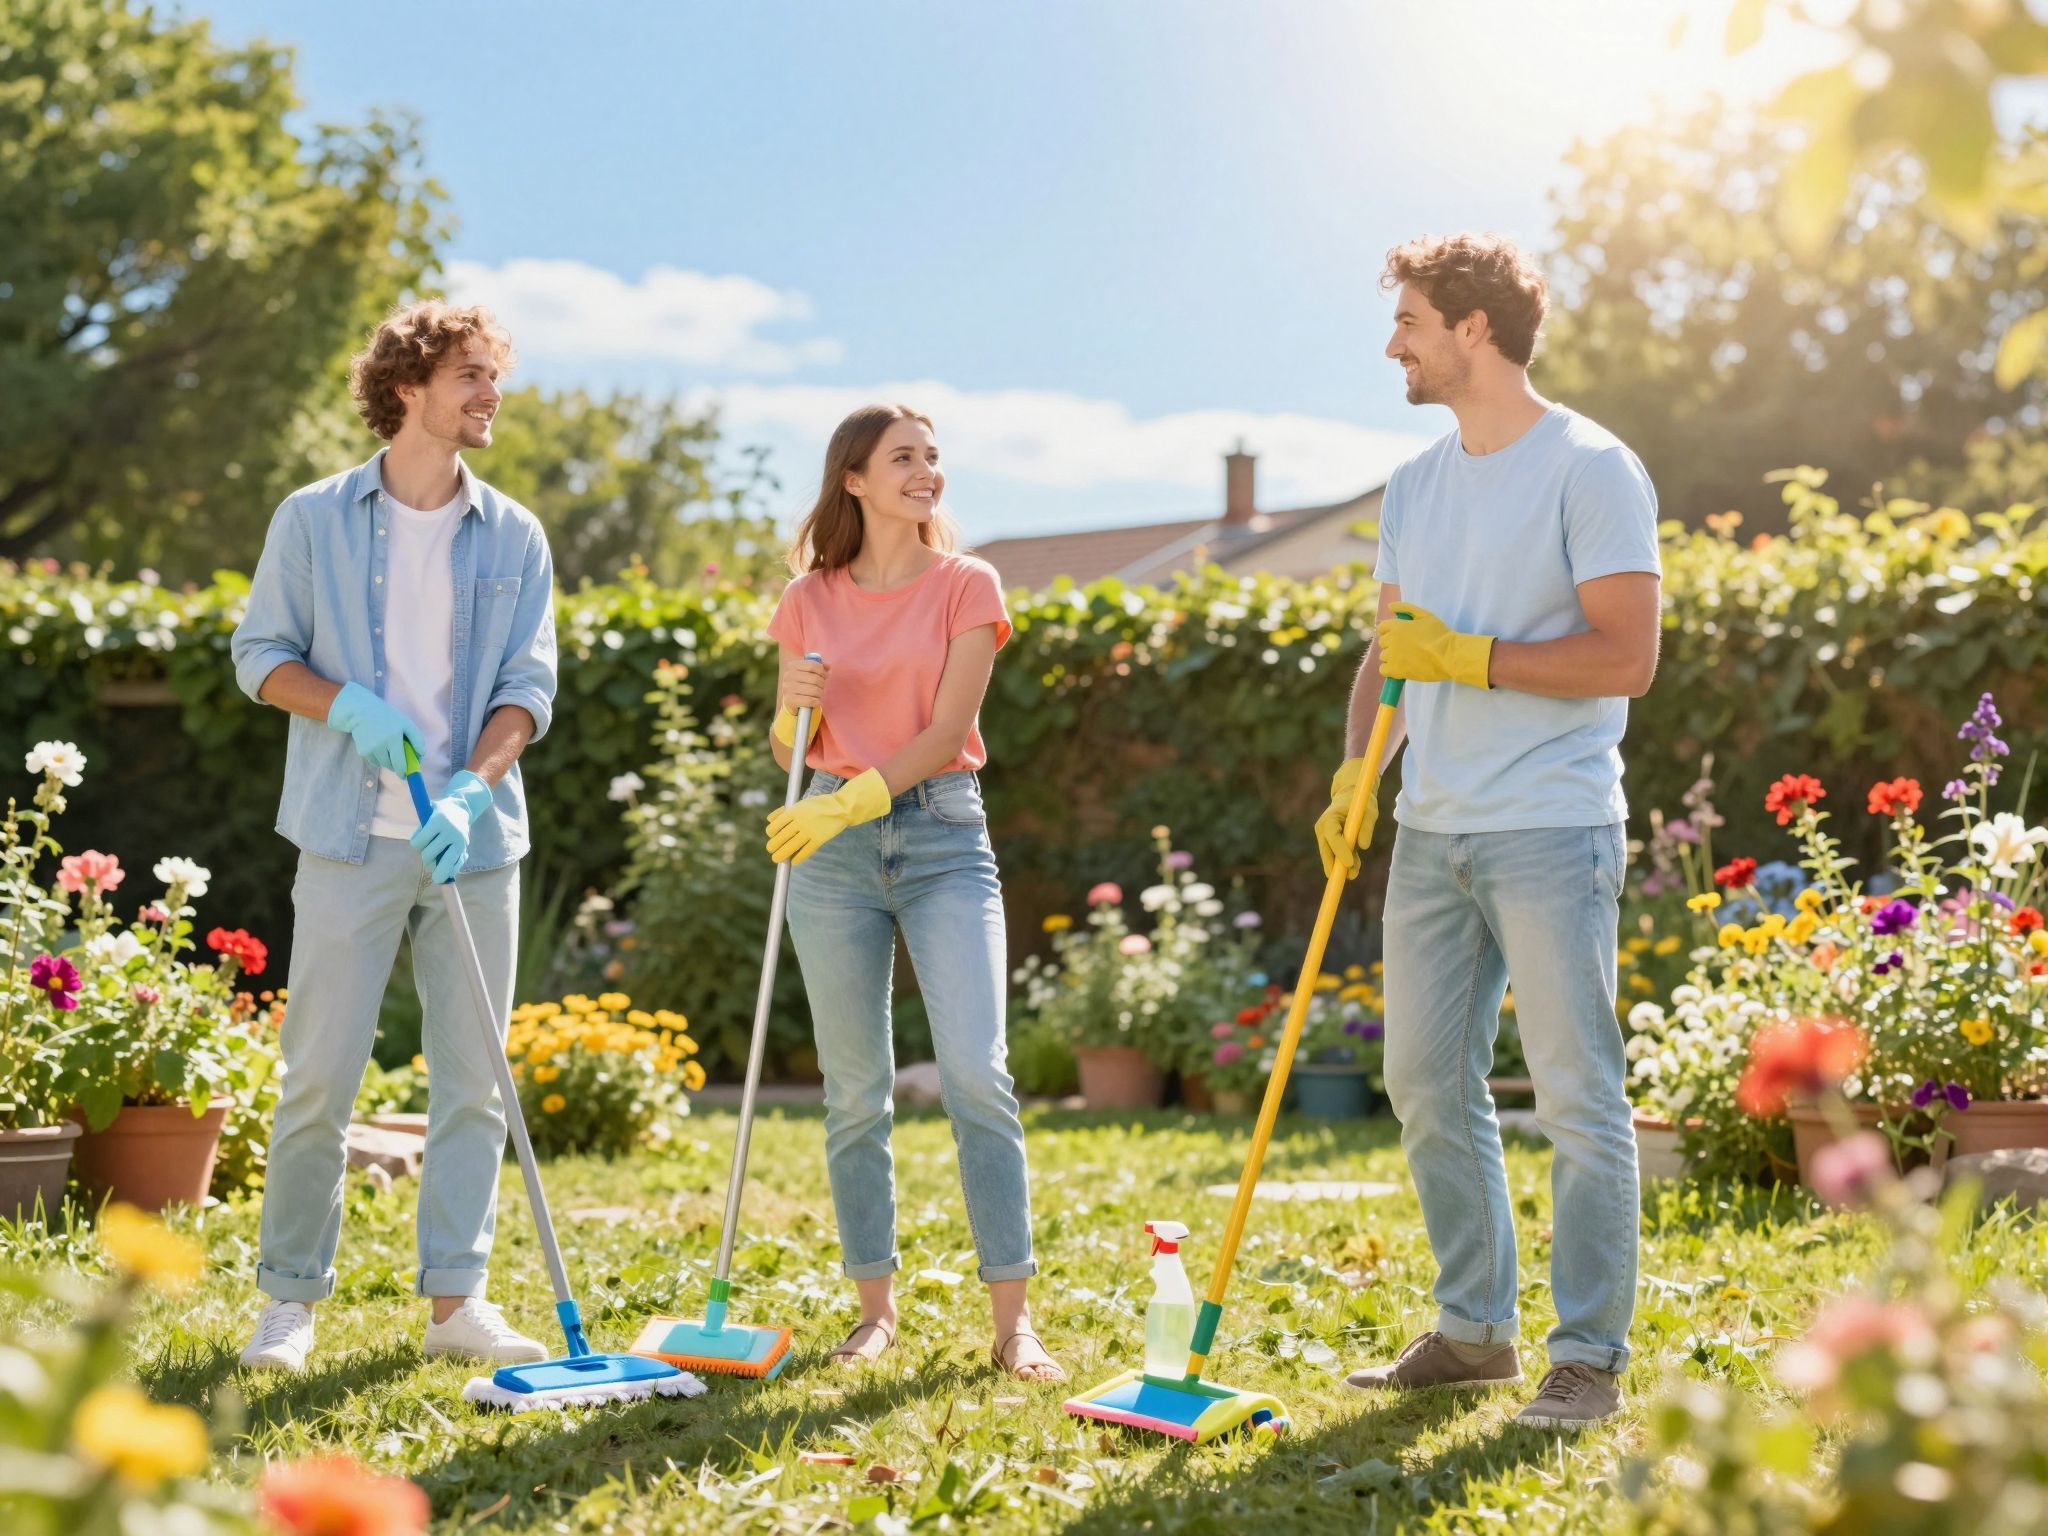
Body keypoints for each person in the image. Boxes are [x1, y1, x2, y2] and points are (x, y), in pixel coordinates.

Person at [1320, 234, 1661, 1429]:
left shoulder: (1590, 467)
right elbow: (1387, 648)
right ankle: (1473, 1332)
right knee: (1421, 1081)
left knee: (1575, 1095)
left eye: (1408, 320)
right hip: (1430, 830)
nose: (1392, 344)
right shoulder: (1417, 483)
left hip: (1549, 827)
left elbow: (1626, 655)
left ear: (1473, 327)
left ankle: (1587, 1358)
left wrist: (1469, 658)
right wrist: (1356, 774)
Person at [228, 301, 558, 1373]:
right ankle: (288, 1303)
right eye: (468, 375)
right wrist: (344, 707)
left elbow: (526, 687)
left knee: (473, 1082)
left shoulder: (513, 533)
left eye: (491, 377)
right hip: (346, 833)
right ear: (407, 387)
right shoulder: (313, 518)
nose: (487, 395)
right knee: (319, 1076)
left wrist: (473, 789)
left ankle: (456, 1301)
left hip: (472, 842)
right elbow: (258, 655)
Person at [764, 403, 1061, 1383]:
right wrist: (790, 723)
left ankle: (1013, 1321)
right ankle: (873, 1311)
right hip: (830, 853)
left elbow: (943, 734)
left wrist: (843, 805)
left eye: (932, 457)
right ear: (853, 478)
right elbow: (785, 743)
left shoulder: (964, 585)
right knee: (853, 1092)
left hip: (937, 833)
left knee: (976, 1075)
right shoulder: (808, 599)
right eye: (903, 458)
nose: (925, 471)